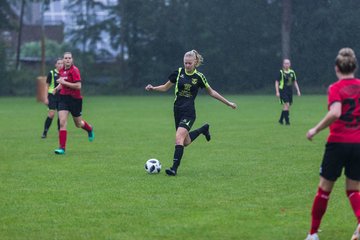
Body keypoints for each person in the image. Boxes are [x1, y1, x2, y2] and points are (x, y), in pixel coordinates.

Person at [145, 50, 237, 176]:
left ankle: (174, 169)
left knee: (178, 138)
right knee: (185, 142)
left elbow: (212, 92)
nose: (187, 65)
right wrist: (153, 88)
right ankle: (204, 129)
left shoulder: (199, 77)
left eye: (189, 63)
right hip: (177, 110)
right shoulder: (178, 73)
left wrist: (228, 103)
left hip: (189, 112)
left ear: (195, 62)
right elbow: (165, 87)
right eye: (185, 63)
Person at [304, 48, 360, 240]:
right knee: (353, 189)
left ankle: (312, 234)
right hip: (358, 144)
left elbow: (336, 112)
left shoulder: (335, 88)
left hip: (338, 143)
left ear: (336, 68)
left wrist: (315, 129)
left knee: (324, 189)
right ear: (355, 67)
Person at [53, 52, 94, 155]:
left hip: (75, 100)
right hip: (63, 99)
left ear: (72, 60)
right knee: (62, 122)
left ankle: (89, 129)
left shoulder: (75, 70)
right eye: (65, 58)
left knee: (78, 124)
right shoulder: (61, 70)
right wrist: (57, 88)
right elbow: (62, 83)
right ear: (63, 60)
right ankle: (62, 148)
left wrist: (63, 83)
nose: (67, 60)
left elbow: (78, 86)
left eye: (69, 58)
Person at [41, 58, 63, 138]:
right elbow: (46, 85)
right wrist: (45, 97)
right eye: (58, 63)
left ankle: (60, 132)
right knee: (51, 114)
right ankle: (45, 132)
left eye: (61, 63)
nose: (60, 65)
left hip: (62, 96)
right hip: (52, 96)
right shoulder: (51, 73)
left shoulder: (65, 73)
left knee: (61, 115)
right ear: (55, 65)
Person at [275, 58, 301, 125]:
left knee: (286, 106)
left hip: (290, 91)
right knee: (287, 104)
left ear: (290, 64)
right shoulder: (281, 72)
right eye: (285, 63)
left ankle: (280, 120)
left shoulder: (292, 72)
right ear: (283, 64)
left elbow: (295, 82)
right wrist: (277, 91)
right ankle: (287, 121)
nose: (287, 64)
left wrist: (298, 90)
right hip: (283, 91)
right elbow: (277, 82)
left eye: (288, 63)